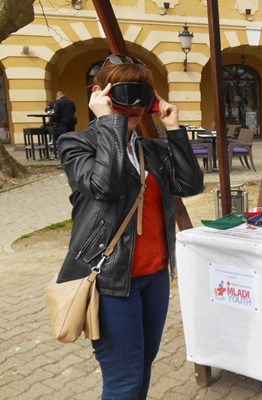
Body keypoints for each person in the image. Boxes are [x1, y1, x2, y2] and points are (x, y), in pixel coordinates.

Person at [56, 54, 204, 399]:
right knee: (124, 378)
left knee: (144, 365)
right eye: (125, 93)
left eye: (143, 94)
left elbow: (190, 185)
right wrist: (109, 122)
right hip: (110, 282)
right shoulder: (76, 144)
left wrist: (173, 128)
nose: (135, 104)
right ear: (101, 94)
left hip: (154, 277)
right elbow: (106, 187)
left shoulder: (151, 149)